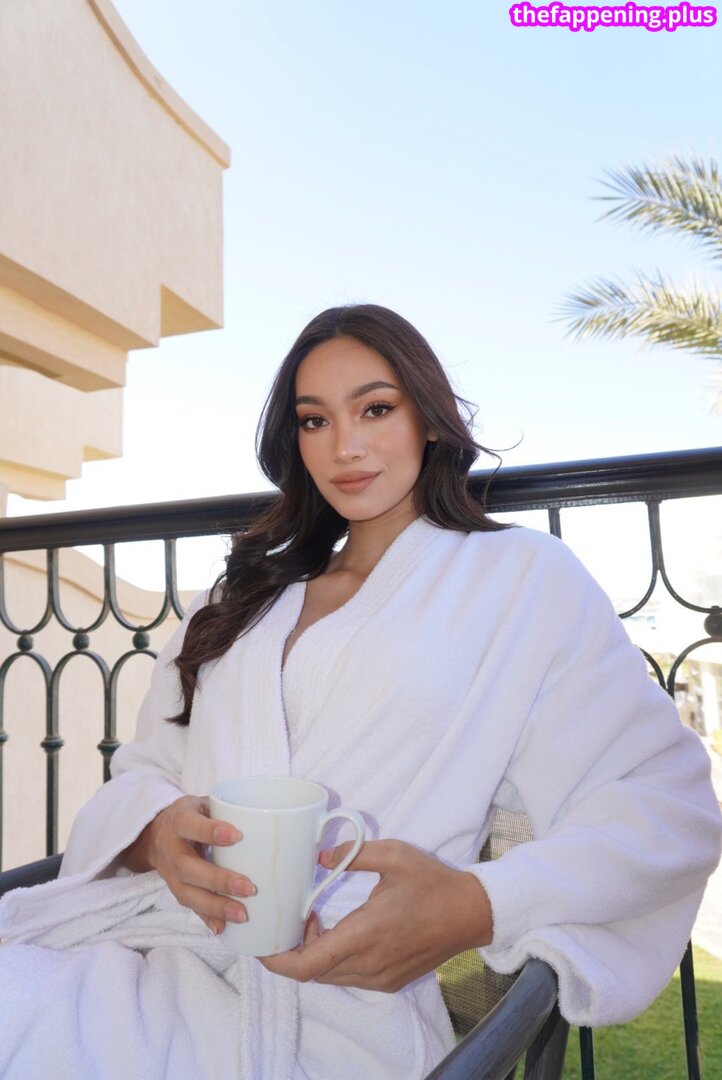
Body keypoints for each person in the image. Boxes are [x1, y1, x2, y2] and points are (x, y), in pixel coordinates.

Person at [0, 303, 720, 1080]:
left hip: (342, 1003)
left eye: (375, 409)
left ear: (429, 420)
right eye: (315, 421)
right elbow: (144, 769)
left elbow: (664, 802)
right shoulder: (243, 596)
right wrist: (158, 833)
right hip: (147, 952)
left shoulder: (521, 582)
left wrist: (474, 906)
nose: (344, 447)